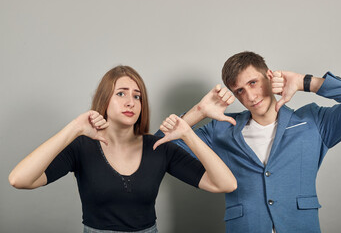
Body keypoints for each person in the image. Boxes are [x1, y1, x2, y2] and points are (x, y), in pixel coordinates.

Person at [8, 65, 237, 233]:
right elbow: (19, 179)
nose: (130, 102)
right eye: (121, 93)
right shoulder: (82, 147)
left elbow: (226, 183)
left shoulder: (157, 148)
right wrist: (74, 128)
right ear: (104, 100)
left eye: (137, 96)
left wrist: (187, 133)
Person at [157, 51, 341, 233]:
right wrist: (199, 111)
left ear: (269, 76)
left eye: (253, 83)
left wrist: (305, 82)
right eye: (239, 91)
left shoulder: (312, 122)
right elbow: (159, 146)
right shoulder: (221, 130)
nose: (250, 96)